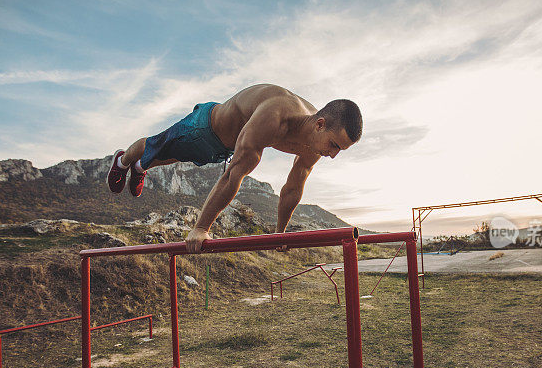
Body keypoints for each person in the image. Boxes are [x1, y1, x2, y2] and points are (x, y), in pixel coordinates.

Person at [107, 84, 362, 253]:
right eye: (334, 145)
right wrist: (201, 228)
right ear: (320, 124)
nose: (332, 155)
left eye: (339, 150)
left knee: (166, 159)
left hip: (226, 148)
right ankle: (124, 161)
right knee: (158, 148)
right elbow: (233, 175)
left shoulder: (313, 145)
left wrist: (279, 235)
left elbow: (293, 188)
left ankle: (141, 167)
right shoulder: (275, 116)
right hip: (205, 128)